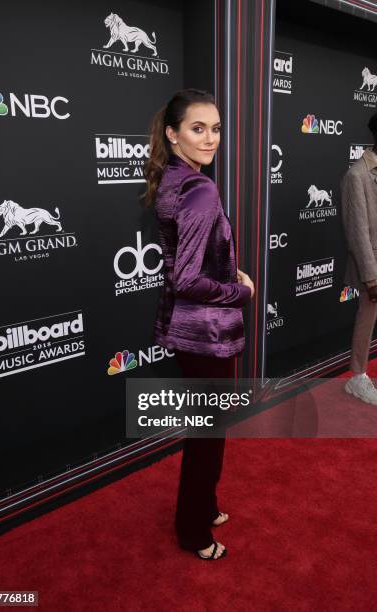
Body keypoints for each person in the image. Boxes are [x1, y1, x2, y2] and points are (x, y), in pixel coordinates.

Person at [142, 89, 254, 560]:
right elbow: (186, 277)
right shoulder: (201, 188)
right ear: (173, 133)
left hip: (186, 329)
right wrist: (240, 291)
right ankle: (193, 530)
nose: (210, 139)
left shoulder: (173, 178)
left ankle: (203, 505)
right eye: (197, 128)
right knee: (207, 434)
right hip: (205, 331)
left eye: (216, 128)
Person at [341, 111, 377, 404]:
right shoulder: (357, 175)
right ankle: (357, 377)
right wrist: (371, 276)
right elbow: (358, 231)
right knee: (367, 318)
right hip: (373, 264)